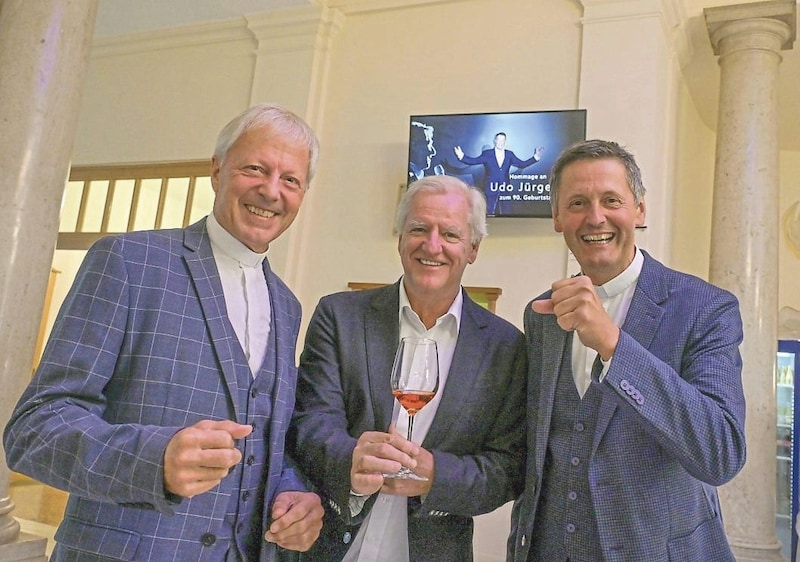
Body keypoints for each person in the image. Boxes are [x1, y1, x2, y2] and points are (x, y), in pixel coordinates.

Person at [4, 103, 325, 561]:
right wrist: (154, 459)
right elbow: (34, 430)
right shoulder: (129, 262)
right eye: (255, 168)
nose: (271, 190)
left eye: (290, 179)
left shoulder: (288, 306)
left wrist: (295, 493)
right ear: (217, 171)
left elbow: (265, 443)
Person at [508, 139, 746, 561]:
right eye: (577, 202)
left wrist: (614, 346)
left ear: (639, 209)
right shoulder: (541, 314)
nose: (594, 216)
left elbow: (720, 452)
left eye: (611, 200)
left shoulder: (706, 308)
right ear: (557, 217)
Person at [287, 175, 527, 561]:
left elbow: (508, 468)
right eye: (419, 228)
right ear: (400, 237)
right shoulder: (339, 316)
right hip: (327, 546)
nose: (432, 245)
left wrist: (438, 476)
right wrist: (350, 460)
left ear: (473, 248)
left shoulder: (506, 347)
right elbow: (309, 421)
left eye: (450, 234)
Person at [454, 132, 544, 215]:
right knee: (489, 211)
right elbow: (473, 161)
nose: (500, 142)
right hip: (490, 187)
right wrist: (461, 156)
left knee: (506, 211)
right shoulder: (487, 154)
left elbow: (522, 164)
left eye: (503, 140)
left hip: (505, 187)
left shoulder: (509, 154)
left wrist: (536, 157)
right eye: (499, 140)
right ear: (495, 141)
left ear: (505, 141)